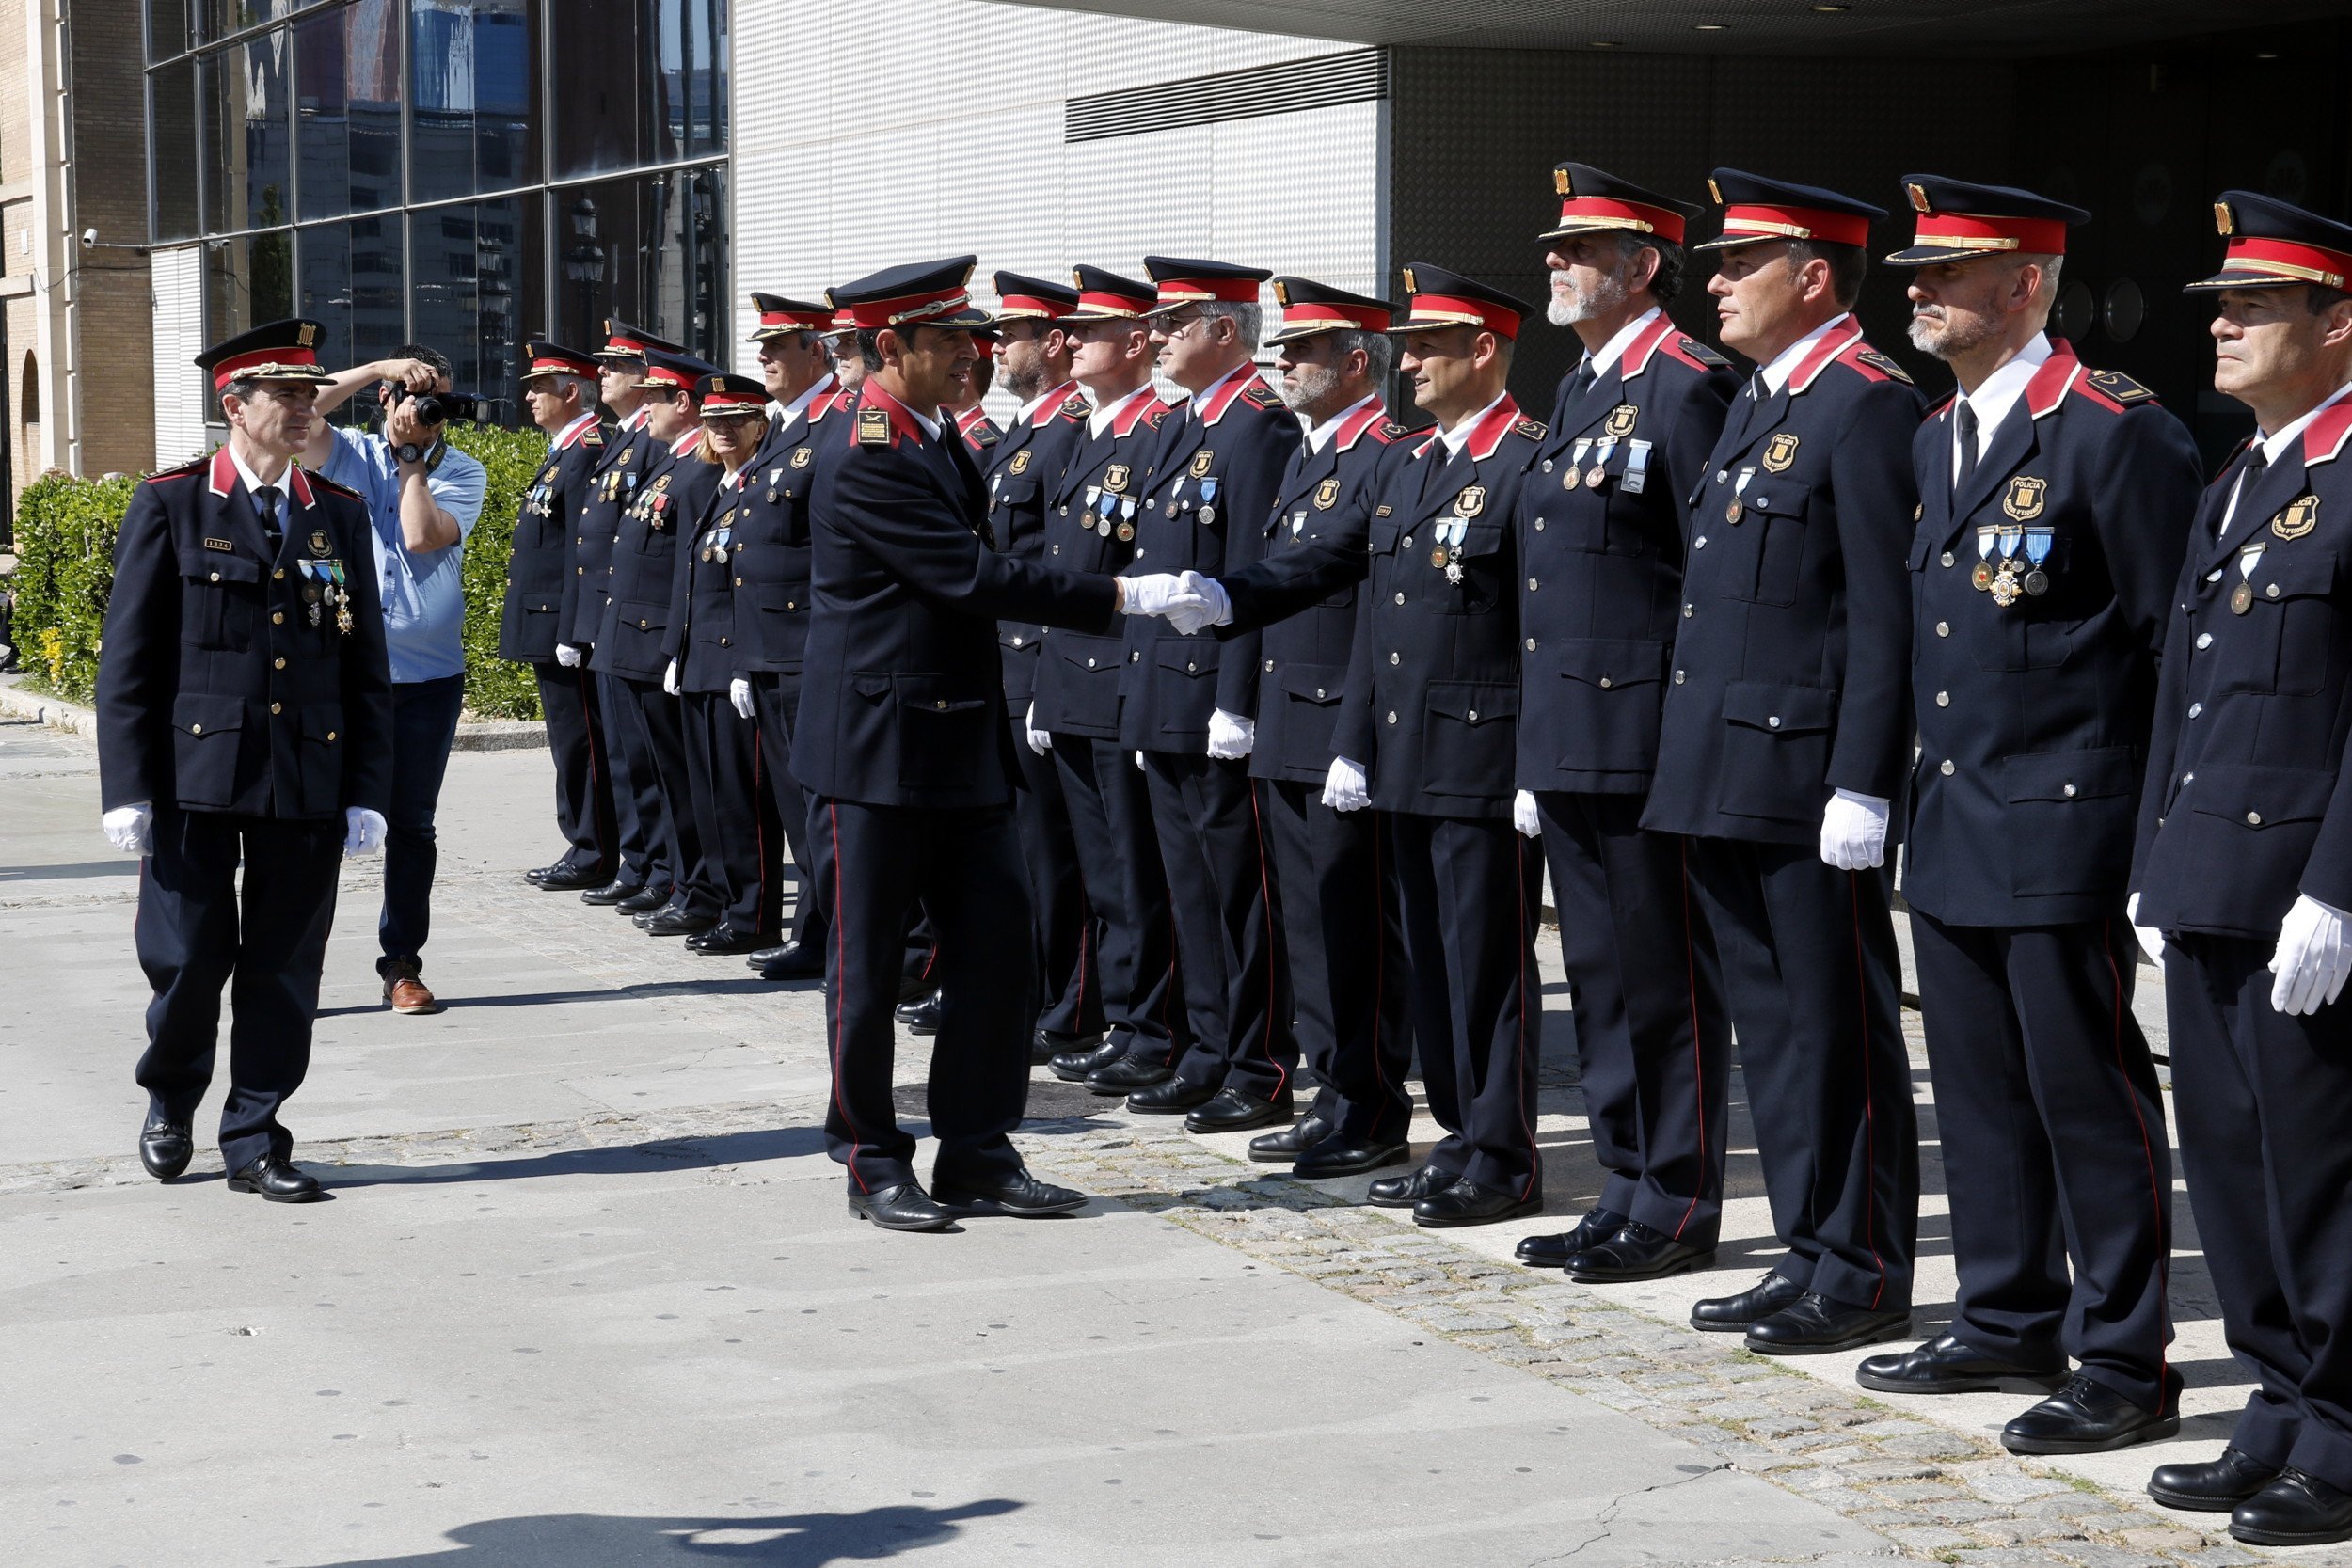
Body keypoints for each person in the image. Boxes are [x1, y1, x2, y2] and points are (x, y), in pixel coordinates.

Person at [1859, 176, 2200, 1456]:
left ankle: (2124, 1352)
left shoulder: (2112, 430)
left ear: (2025, 286)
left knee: (2087, 1093)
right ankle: (2005, 1307)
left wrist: (2162, 846)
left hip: (2067, 821)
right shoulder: (1937, 433)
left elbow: (2176, 647)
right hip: (1955, 815)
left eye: (1949, 275)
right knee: (1982, 1090)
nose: (1920, 294)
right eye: (1915, 276)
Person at [793, 256, 1148, 1231]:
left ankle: (978, 1147)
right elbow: (966, 576)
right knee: (866, 971)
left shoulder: (932, 434)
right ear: (887, 347)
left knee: (997, 952)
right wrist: (1120, 595)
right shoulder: (865, 444)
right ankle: (870, 1154)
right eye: (948, 342)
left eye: (974, 339)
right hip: (873, 743)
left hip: (956, 735)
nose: (972, 356)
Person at [1645, 171, 1924, 1355]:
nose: (1712, 283)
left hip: (1807, 779)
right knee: (1769, 1024)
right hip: (1725, 768)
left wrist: (1863, 777)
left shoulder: (1866, 404)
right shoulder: (1768, 397)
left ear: (1812, 276)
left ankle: (1861, 1263)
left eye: (1734, 265)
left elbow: (1880, 610)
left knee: (1835, 1026)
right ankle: (1809, 1244)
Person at [2133, 193, 2352, 1544]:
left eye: (2253, 305)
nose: (2219, 324)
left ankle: (2340, 1426)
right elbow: (2186, 692)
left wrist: (2341, 884)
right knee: (2226, 1160)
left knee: (2322, 1174)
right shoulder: (2241, 473)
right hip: (2211, 881)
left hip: (2307, 895)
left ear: (2339, 321)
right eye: (2221, 304)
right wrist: (2155, 863)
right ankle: (2278, 1396)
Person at [1502, 164, 1742, 1285]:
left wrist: (1691, 744)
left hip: (1645, 739)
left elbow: (1710, 577)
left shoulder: (1685, 382)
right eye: (1554, 249)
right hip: (1569, 735)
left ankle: (1678, 1195)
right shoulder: (1583, 385)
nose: (1556, 263)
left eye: (1581, 249)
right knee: (1597, 973)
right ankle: (1624, 1182)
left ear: (1644, 266)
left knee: (1661, 979)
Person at [96, 318, 393, 1202]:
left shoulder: (335, 514)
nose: (306, 407)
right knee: (189, 956)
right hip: (194, 777)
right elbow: (130, 660)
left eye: (311, 392)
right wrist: (128, 787)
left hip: (305, 772)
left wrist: (368, 789)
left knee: (284, 966)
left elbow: (363, 662)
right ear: (236, 403)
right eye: (287, 393)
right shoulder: (172, 501)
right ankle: (170, 1099)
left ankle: (256, 1134)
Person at [1130, 276, 1416, 1177]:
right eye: (1283, 347)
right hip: (1290, 718)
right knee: (1309, 926)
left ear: (1356, 362)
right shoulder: (1307, 451)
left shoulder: (1386, 453)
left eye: (1302, 350)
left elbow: (1376, 609)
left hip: (1339, 726)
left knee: (1354, 929)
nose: (1282, 362)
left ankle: (1368, 1104)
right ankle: (1334, 1093)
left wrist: (1355, 738)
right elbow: (1267, 581)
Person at [1327, 264, 1549, 1227]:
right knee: (1432, 957)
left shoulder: (1527, 460)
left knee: (1488, 960)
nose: (1404, 362)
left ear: (1482, 348)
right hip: (1405, 749)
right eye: (1404, 346)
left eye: (1424, 346)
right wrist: (1352, 741)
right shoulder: (1406, 462)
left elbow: (1544, 627)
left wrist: (1536, 763)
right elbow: (1378, 614)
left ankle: (1501, 1153)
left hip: (1485, 755)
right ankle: (1457, 1133)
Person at [1113, 258, 1302, 1131]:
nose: (1154, 338)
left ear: (1226, 331)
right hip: (1161, 689)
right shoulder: (1176, 427)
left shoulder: (1255, 429)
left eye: (1174, 324)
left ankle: (1258, 1062)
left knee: (1239, 893)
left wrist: (1238, 697)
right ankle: (1206, 1046)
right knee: (1187, 886)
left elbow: (1256, 577)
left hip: (1213, 697)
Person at [1026, 266, 1187, 1095]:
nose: (1072, 344)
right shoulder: (1084, 432)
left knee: (1138, 870)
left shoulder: (1155, 430)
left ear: (1133, 344)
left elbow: (1147, 573)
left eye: (1087, 333)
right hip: (1073, 677)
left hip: (1121, 677)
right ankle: (1129, 1018)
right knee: (1103, 868)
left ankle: (1152, 1024)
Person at [301, 345, 489, 1015]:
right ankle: (299, 966)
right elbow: (300, 413)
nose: (423, 411)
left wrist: (413, 462)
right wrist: (380, 368)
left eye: (435, 400)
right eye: (412, 395)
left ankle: (402, 965)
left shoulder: (463, 471)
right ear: (386, 400)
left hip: (427, 678)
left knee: (411, 824)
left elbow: (418, 536)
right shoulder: (348, 452)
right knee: (319, 820)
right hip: (343, 670)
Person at [981, 272, 1101, 1058]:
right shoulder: (1025, 429)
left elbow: (1065, 568)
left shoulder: (1067, 432)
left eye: (1011, 334)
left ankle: (1072, 1003)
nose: (995, 346)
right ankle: (1033, 992)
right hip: (1006, 660)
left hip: (1041, 662)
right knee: (1025, 848)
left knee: (1061, 854)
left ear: (1053, 342)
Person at [591, 347, 726, 939]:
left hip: (656, 642)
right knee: (651, 768)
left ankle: (690, 883)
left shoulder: (695, 470)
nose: (645, 407)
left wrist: (675, 645)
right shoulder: (669, 463)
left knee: (676, 774)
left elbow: (687, 572)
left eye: (656, 398)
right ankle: (672, 876)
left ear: (684, 404)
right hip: (634, 637)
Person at [736, 293, 842, 982]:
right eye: (762, 347)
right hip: (771, 651)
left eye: (780, 346)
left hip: (809, 650)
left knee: (822, 816)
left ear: (818, 351)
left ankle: (843, 938)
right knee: (797, 814)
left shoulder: (835, 425)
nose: (765, 358)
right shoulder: (783, 426)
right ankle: (815, 931)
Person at [664, 372, 786, 956]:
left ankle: (754, 914)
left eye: (738, 421)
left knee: (744, 800)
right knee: (711, 795)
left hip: (736, 661)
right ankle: (728, 901)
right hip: (700, 660)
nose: (725, 432)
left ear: (761, 424)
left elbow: (750, 588)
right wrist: (676, 651)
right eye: (714, 422)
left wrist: (741, 662)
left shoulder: (760, 486)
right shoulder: (717, 484)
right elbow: (693, 582)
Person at [576, 321, 689, 913]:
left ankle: (663, 868)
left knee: (651, 759)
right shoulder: (627, 436)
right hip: (615, 621)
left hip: (643, 626)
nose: (605, 375)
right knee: (626, 757)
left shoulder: (655, 443)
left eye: (617, 368)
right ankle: (644, 862)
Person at [501, 340, 616, 894]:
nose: (529, 397)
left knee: (581, 740)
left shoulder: (587, 449)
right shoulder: (564, 449)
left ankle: (594, 847)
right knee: (569, 738)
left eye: (539, 387)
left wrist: (573, 629)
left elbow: (582, 551)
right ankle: (584, 840)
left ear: (572, 392)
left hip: (563, 624)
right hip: (547, 618)